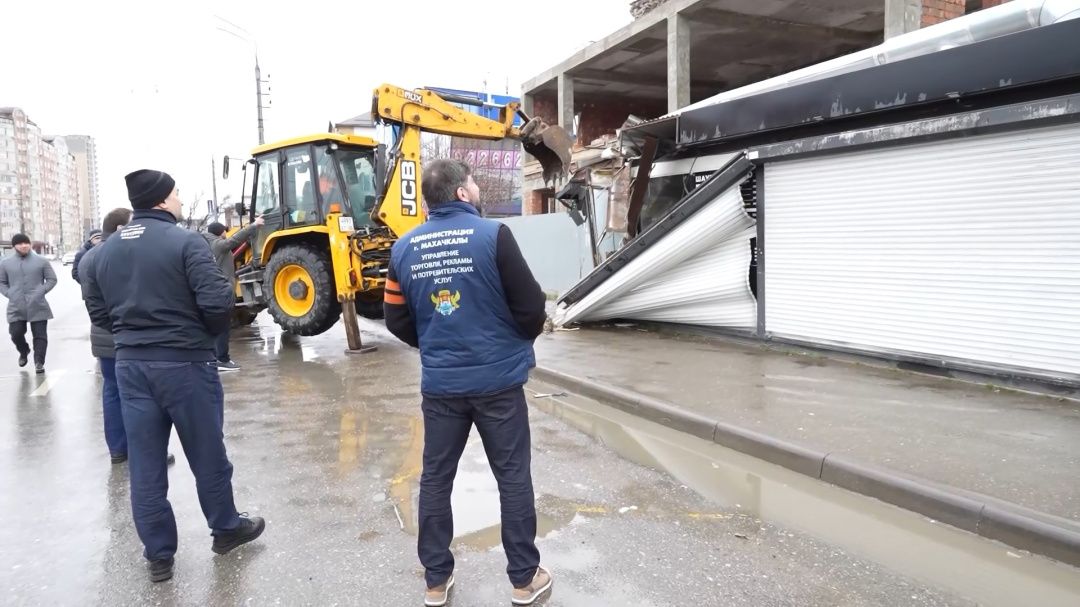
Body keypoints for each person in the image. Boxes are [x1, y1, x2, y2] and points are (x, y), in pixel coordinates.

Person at [82, 169, 264, 583]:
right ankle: (225, 528)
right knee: (207, 454)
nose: (181, 200)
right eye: (178, 194)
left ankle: (159, 555)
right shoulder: (186, 242)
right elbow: (217, 302)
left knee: (145, 465)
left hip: (131, 365)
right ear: (163, 200)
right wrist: (200, 337)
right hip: (184, 364)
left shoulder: (104, 252)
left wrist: (131, 335)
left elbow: (97, 311)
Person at [383, 159, 550, 607]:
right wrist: (512, 342)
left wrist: (437, 342)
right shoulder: (494, 236)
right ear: (461, 193)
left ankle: (436, 582)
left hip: (441, 388)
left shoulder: (403, 248)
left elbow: (395, 318)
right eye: (473, 182)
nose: (476, 187)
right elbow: (532, 307)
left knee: (435, 479)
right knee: (513, 477)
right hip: (498, 383)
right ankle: (523, 580)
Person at [79, 207, 176, 468]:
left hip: (103, 338)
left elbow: (93, 305)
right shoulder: (129, 253)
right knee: (138, 399)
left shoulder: (90, 258)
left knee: (112, 392)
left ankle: (118, 449)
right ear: (121, 229)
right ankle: (145, 452)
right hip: (128, 340)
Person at [203, 216, 264, 371]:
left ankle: (213, 359)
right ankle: (222, 360)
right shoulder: (217, 244)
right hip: (221, 291)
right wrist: (254, 226)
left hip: (213, 290)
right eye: (224, 230)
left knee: (215, 326)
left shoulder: (205, 244)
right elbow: (235, 240)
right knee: (223, 327)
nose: (226, 232)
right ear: (219, 232)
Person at [0, 233, 57, 374]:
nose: (24, 245)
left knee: (40, 335)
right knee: (15, 333)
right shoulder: (5, 263)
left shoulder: (42, 261)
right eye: (20, 243)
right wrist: (10, 293)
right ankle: (23, 350)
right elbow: (2, 282)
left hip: (38, 305)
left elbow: (52, 279)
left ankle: (39, 362)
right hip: (16, 305)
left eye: (26, 243)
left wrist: (40, 291)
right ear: (14, 246)